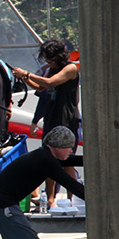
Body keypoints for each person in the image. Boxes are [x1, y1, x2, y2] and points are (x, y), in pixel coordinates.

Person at [14, 39, 81, 210]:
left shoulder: (70, 68)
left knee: (67, 161)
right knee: (49, 160)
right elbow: (41, 87)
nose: (48, 63)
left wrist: (27, 74)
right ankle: (50, 200)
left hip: (66, 120)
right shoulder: (51, 70)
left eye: (50, 59)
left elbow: (51, 83)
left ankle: (74, 199)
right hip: (51, 120)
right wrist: (24, 78)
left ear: (59, 56)